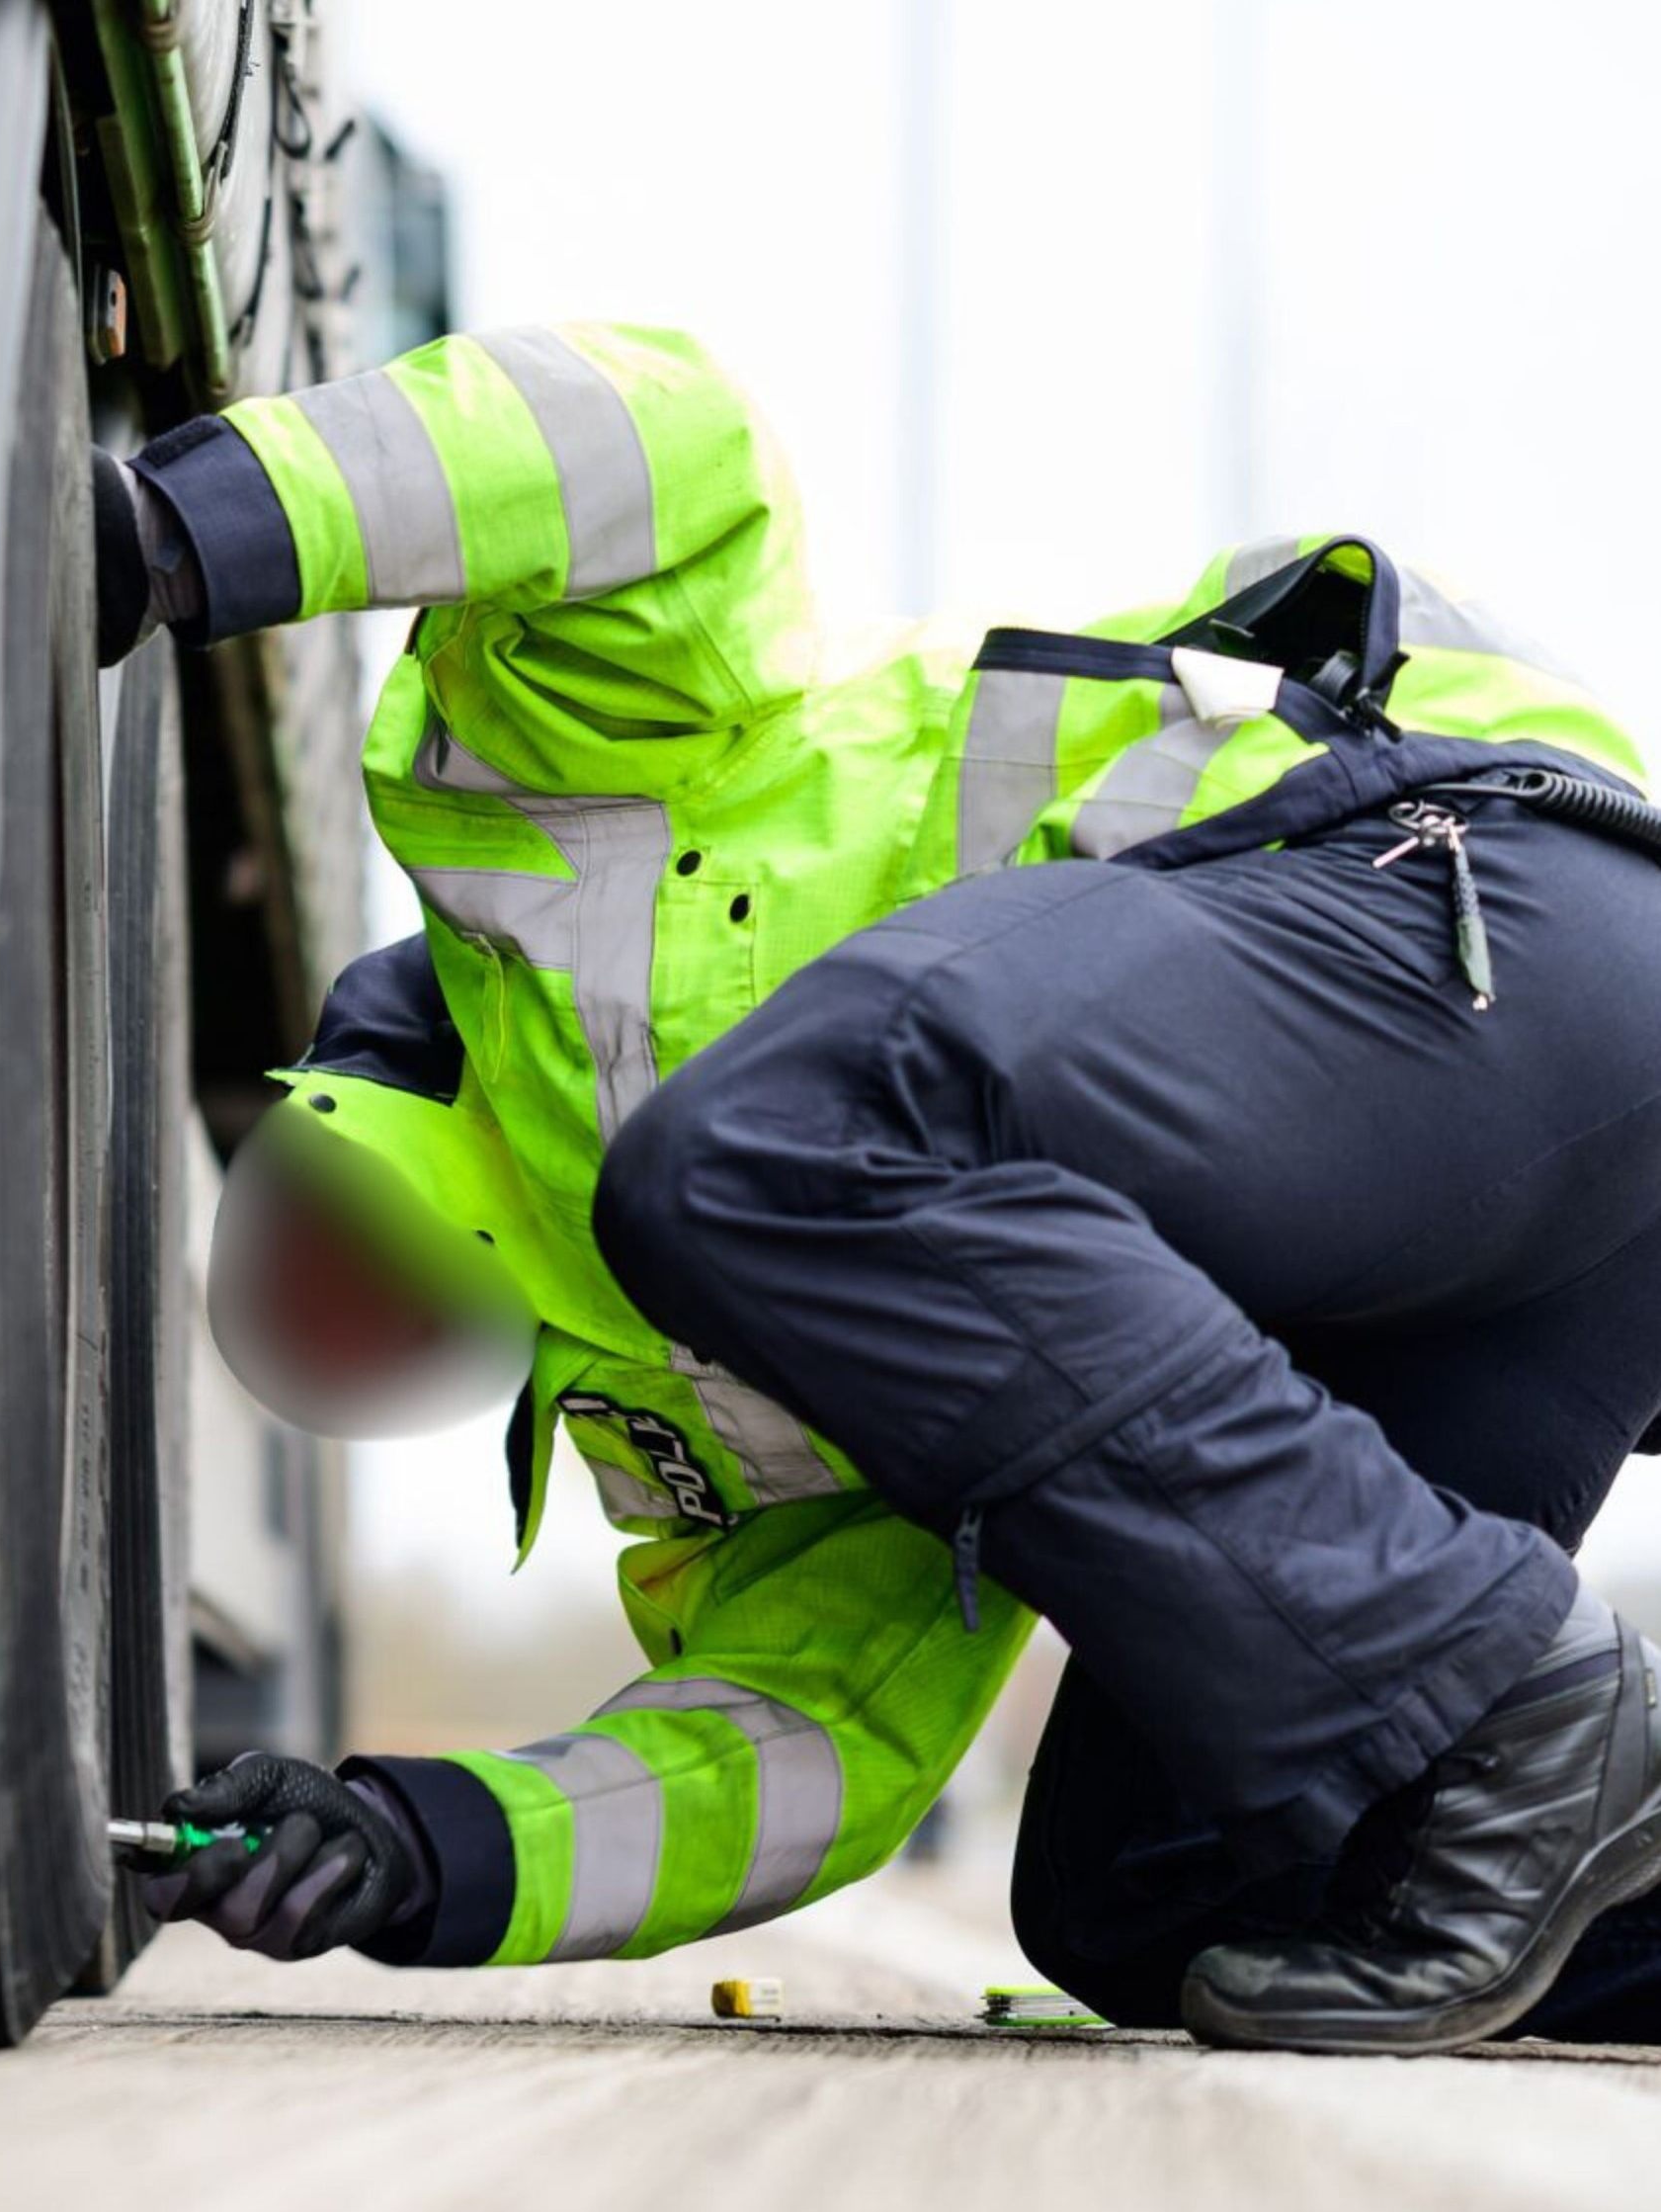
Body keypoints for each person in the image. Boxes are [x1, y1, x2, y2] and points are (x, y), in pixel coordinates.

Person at [94, 323, 1661, 2052]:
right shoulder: (729, 1425)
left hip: (1474, 923)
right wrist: (414, 1844)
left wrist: (178, 528)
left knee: (745, 1159)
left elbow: (645, 433)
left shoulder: (558, 831)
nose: (336, 1329)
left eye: (313, 1261)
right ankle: (1539, 1759)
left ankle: (1513, 1681)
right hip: (1455, 1274)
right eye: (342, 1363)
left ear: (343, 1116)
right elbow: (817, 1723)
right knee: (1153, 1894)